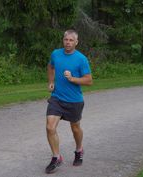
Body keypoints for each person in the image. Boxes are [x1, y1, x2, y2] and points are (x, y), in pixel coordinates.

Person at [45, 29, 93, 174]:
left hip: (74, 100)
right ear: (63, 40)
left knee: (75, 128)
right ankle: (56, 157)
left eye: (71, 40)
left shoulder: (81, 59)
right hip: (57, 98)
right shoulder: (56, 54)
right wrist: (51, 81)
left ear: (76, 42)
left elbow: (89, 80)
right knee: (50, 127)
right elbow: (50, 66)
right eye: (66, 39)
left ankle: (79, 150)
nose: (68, 42)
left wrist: (73, 79)